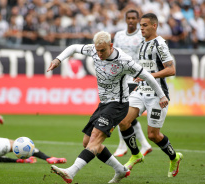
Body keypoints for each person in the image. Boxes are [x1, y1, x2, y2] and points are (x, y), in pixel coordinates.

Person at [47, 31, 169, 183]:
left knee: (95, 140)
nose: (99, 54)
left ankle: (71, 172)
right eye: (97, 50)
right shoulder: (94, 49)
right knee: (87, 143)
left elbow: (148, 76)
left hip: (118, 105)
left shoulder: (124, 61)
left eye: (102, 50)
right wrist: (58, 59)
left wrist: (162, 95)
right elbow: (73, 47)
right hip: (103, 104)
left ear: (111, 46)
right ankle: (120, 170)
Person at [118, 13, 183, 178]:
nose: (141, 28)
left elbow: (171, 69)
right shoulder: (141, 43)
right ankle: (136, 154)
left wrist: (149, 76)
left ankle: (174, 157)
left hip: (157, 94)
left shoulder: (160, 44)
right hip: (140, 90)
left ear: (154, 26)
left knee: (153, 135)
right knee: (124, 121)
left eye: (145, 25)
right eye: (141, 26)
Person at [112, 9, 152, 157]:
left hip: (134, 78)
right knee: (126, 115)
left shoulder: (142, 36)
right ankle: (145, 144)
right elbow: (114, 54)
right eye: (128, 18)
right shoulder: (119, 35)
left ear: (138, 20)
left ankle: (122, 146)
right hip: (120, 77)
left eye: (133, 18)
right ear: (125, 19)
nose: (130, 21)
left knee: (121, 111)